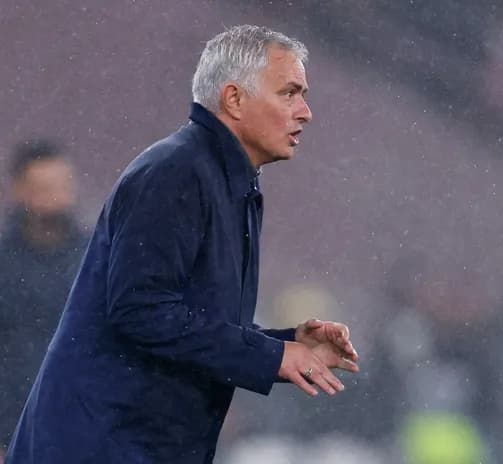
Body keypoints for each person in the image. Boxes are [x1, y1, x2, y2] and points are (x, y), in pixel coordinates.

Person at [6, 25, 360, 464]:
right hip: (104, 446)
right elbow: (140, 310)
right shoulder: (176, 173)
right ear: (234, 99)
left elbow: (189, 323)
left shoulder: (226, 181)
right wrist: (270, 354)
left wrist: (288, 345)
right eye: (289, 93)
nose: (305, 111)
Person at [0, 139, 88, 457]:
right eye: (42, 186)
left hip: (83, 429)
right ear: (18, 190)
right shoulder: (4, 263)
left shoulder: (96, 259)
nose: (54, 197)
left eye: (61, 185)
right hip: (11, 432)